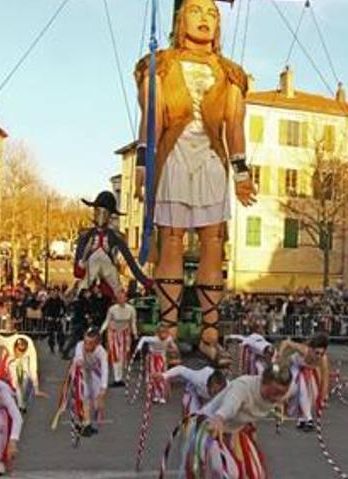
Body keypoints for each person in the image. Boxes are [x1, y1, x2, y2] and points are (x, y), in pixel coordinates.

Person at [134, 0, 253, 368]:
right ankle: (167, 332)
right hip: (174, 154)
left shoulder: (231, 73)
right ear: (180, 18)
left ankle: (210, 333)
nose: (205, 19)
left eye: (212, 13)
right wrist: (143, 162)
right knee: (170, 238)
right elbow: (152, 118)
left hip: (212, 159)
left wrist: (242, 173)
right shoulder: (160, 64)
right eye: (197, 10)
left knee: (213, 241)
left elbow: (233, 125)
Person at [179, 363, 292, 479]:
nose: (277, 397)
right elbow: (230, 406)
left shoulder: (281, 390)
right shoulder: (243, 387)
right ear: (263, 382)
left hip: (234, 431)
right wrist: (219, 418)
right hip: (209, 428)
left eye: (282, 393)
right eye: (275, 392)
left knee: (256, 474)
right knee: (230, 473)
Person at [278, 333, 330, 431]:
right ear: (310, 349)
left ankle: (303, 418)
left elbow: (325, 380)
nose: (319, 356)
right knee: (295, 388)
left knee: (312, 393)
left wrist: (322, 399)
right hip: (294, 367)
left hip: (307, 372)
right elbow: (286, 343)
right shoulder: (303, 350)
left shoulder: (323, 360)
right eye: (316, 353)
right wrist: (280, 355)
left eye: (321, 353)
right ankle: (307, 418)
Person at [66, 330, 109, 436]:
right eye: (85, 342)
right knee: (84, 395)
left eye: (90, 343)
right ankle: (86, 423)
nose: (86, 345)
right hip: (80, 370)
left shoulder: (101, 351)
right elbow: (79, 357)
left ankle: (87, 420)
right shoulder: (79, 345)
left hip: (94, 371)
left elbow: (105, 369)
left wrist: (103, 389)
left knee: (96, 400)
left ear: (97, 344)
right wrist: (79, 361)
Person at [100, 290, 138, 386]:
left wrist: (135, 334)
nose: (121, 299)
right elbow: (107, 321)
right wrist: (101, 331)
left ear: (126, 298)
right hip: (113, 333)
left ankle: (120, 378)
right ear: (116, 299)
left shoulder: (131, 309)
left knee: (123, 355)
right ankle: (117, 379)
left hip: (125, 333)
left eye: (123, 297)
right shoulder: (112, 309)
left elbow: (133, 322)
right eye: (119, 298)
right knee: (115, 355)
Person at [134, 327, 180, 403]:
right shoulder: (154, 339)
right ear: (158, 334)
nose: (163, 336)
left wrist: (174, 349)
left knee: (162, 376)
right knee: (152, 376)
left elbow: (174, 347)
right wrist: (139, 347)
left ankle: (162, 395)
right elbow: (143, 338)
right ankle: (155, 395)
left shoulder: (169, 339)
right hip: (152, 358)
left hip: (162, 358)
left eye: (165, 333)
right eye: (162, 333)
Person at [162, 365, 227, 416]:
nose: (216, 394)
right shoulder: (198, 378)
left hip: (206, 397)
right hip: (193, 392)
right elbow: (180, 369)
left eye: (219, 392)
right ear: (207, 385)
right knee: (191, 417)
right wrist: (164, 375)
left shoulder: (228, 389)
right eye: (214, 391)